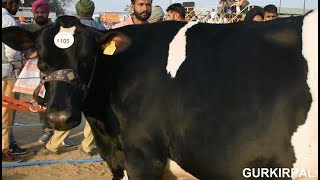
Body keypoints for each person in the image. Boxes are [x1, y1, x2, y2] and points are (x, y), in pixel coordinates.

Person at [37, 0, 105, 157]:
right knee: (93, 116)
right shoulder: (101, 29)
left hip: (71, 82)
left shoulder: (68, 31)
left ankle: (54, 145)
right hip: (95, 81)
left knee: (67, 110)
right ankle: (87, 146)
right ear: (92, 10)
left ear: (78, 11)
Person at [20, 0, 75, 147]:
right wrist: (28, 54)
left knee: (59, 100)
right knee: (42, 103)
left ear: (47, 13)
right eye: (37, 12)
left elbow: (63, 47)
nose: (39, 15)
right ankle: (47, 131)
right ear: (33, 13)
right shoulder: (29, 27)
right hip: (33, 74)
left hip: (55, 74)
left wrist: (39, 52)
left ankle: (64, 135)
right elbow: (24, 50)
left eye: (42, 12)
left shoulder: (56, 29)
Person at [2, 0, 26, 162]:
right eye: (17, 4)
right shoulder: (8, 20)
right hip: (4, 73)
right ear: (11, 3)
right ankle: (4, 150)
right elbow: (11, 51)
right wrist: (19, 64)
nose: (17, 8)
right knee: (5, 113)